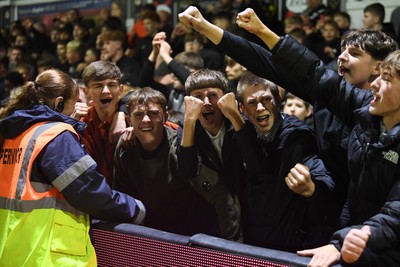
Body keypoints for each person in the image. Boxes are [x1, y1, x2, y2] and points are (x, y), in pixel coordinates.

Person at [179, 6, 400, 266]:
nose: (341, 58)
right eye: (341, 50)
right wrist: (207, 27)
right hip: (338, 225)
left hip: (377, 234)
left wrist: (353, 234)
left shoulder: (358, 115)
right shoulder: (336, 102)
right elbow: (273, 65)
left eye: (354, 53)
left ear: (379, 68)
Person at [0, 69, 145, 266]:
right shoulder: (56, 135)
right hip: (50, 256)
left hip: (14, 251)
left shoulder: (14, 135)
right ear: (59, 102)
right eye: (76, 100)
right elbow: (89, 192)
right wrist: (135, 209)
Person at [113, 87, 220, 237]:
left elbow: (219, 196)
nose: (145, 120)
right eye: (138, 115)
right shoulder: (125, 148)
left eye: (153, 113)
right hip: (152, 235)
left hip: (193, 236)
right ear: (129, 121)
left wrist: (230, 244)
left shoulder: (182, 145)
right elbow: (122, 197)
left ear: (165, 117)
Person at [178, 69, 243, 241]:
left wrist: (235, 114)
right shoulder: (186, 128)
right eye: (198, 96)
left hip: (250, 202)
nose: (206, 102)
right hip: (212, 214)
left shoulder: (238, 121)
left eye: (213, 95)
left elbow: (255, 162)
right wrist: (189, 121)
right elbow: (187, 171)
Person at [79, 60, 126, 185]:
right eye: (98, 86)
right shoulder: (81, 125)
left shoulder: (134, 119)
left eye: (111, 85)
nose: (106, 91)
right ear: (86, 92)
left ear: (120, 89)